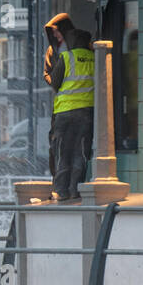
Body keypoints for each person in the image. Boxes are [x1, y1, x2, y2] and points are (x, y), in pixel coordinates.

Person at [43, 13, 94, 202]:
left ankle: (62, 189)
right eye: (53, 33)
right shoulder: (90, 54)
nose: (56, 36)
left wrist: (60, 82)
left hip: (64, 109)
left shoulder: (67, 55)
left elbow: (54, 80)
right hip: (86, 108)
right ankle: (73, 188)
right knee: (79, 150)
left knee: (62, 150)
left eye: (57, 32)